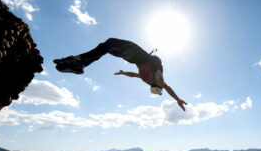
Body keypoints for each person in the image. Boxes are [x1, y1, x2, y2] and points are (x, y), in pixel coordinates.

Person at [53, 38, 187, 111]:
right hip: (132, 57)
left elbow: (135, 75)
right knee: (106, 46)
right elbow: (135, 75)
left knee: (109, 44)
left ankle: (78, 61)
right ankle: (80, 63)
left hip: (133, 55)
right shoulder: (150, 79)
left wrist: (177, 99)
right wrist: (177, 99)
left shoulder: (154, 79)